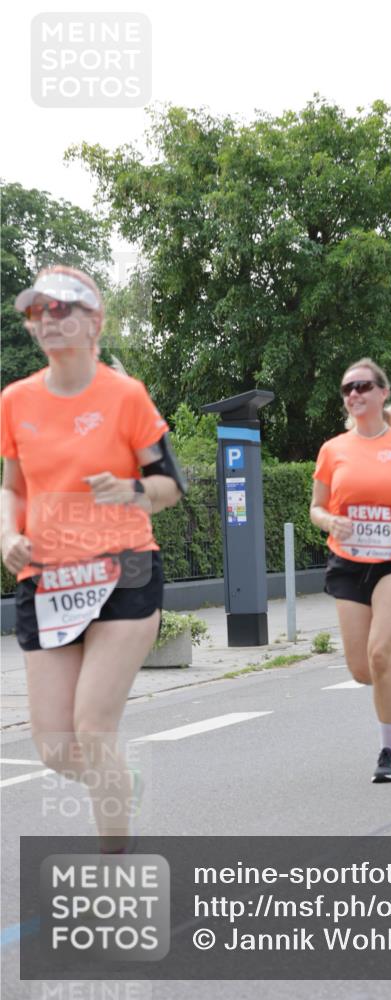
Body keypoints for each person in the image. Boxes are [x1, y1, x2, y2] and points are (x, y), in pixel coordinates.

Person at [1, 265, 186, 852]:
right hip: (48, 580)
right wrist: (7, 533)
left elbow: (169, 486)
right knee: (57, 748)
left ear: (94, 320)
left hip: (123, 571)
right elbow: (12, 486)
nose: (50, 320)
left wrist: (130, 491)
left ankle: (115, 866)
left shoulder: (124, 396)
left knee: (92, 727)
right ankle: (118, 784)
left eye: (64, 309)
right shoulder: (15, 400)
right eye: (39, 311)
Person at [310, 359, 391, 782]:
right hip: (348, 562)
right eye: (347, 388)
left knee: (380, 652)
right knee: (362, 671)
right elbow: (316, 508)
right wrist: (330, 521)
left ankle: (390, 753)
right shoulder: (333, 450)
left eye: (363, 386)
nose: (354, 394)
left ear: (383, 393)